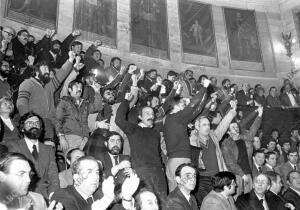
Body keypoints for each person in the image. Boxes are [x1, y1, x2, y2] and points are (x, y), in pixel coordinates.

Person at [116, 92, 168, 202]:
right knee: (145, 202)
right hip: (141, 171)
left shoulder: (155, 133)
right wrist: (126, 101)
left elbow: (158, 153)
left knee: (162, 202)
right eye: (147, 113)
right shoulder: (134, 129)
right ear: (140, 117)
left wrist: (162, 168)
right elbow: (119, 119)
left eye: (152, 114)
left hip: (158, 172)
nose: (151, 116)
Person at [17, 51, 75, 143]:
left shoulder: (49, 86)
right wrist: (28, 121)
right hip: (33, 122)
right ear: (36, 72)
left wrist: (70, 60)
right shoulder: (27, 83)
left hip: (48, 123)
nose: (47, 71)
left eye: (47, 69)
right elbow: (21, 103)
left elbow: (61, 74)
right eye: (44, 69)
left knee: (49, 150)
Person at [190, 100, 237, 204]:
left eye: (208, 125)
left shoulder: (213, 136)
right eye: (204, 125)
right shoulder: (193, 140)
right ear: (197, 127)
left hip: (217, 177)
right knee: (206, 204)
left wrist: (233, 111)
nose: (207, 127)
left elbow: (223, 125)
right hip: (202, 179)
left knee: (221, 203)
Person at [164, 80, 209, 191]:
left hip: (180, 160)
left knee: (182, 194)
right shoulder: (173, 117)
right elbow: (192, 105)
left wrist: (206, 92)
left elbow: (197, 110)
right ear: (175, 106)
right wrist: (204, 87)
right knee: (179, 195)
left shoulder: (178, 119)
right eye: (183, 104)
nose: (185, 106)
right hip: (178, 160)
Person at [5, 112, 59, 199]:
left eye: (37, 123)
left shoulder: (48, 149)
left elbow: (53, 176)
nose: (34, 125)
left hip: (45, 195)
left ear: (41, 128)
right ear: (22, 129)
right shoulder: (14, 147)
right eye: (30, 123)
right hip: (22, 195)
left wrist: (53, 195)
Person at [56, 79, 102, 154]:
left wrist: (97, 92)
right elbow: (58, 119)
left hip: (84, 139)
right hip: (69, 137)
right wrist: (61, 137)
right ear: (70, 89)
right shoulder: (64, 101)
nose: (79, 89)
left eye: (81, 87)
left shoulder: (85, 104)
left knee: (82, 164)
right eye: (77, 87)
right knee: (73, 161)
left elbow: (98, 107)